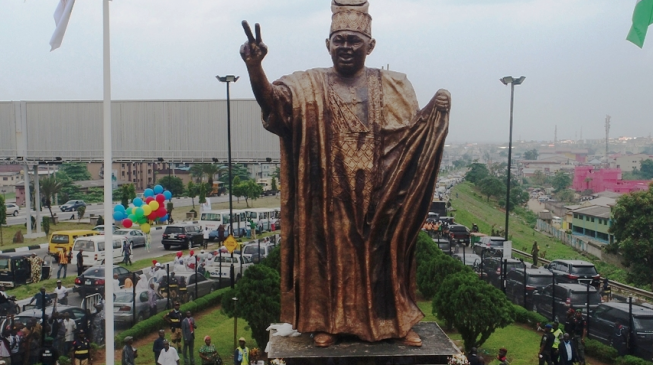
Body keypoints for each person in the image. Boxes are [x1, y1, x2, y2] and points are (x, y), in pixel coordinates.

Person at [240, 0, 450, 347]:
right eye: (339, 40)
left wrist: (434, 110)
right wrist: (254, 68)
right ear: (327, 44)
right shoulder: (307, 85)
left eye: (354, 40)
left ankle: (395, 322)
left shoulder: (394, 86)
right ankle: (328, 322)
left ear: (370, 45)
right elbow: (274, 105)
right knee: (329, 261)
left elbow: (409, 138)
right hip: (329, 196)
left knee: (386, 260)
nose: (347, 47)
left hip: (380, 195)